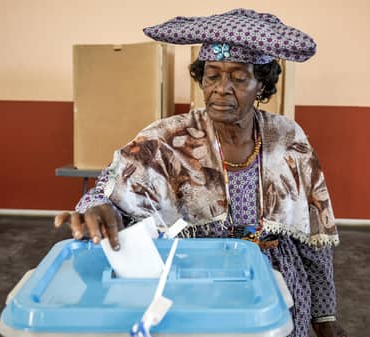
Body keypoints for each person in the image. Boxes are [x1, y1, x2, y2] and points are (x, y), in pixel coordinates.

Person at [55, 8, 346, 337]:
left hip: (278, 290)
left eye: (238, 78)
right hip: (197, 285)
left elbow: (315, 233)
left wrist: (324, 317)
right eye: (212, 75)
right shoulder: (167, 139)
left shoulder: (288, 139)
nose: (222, 88)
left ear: (261, 84)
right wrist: (98, 208)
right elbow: (110, 193)